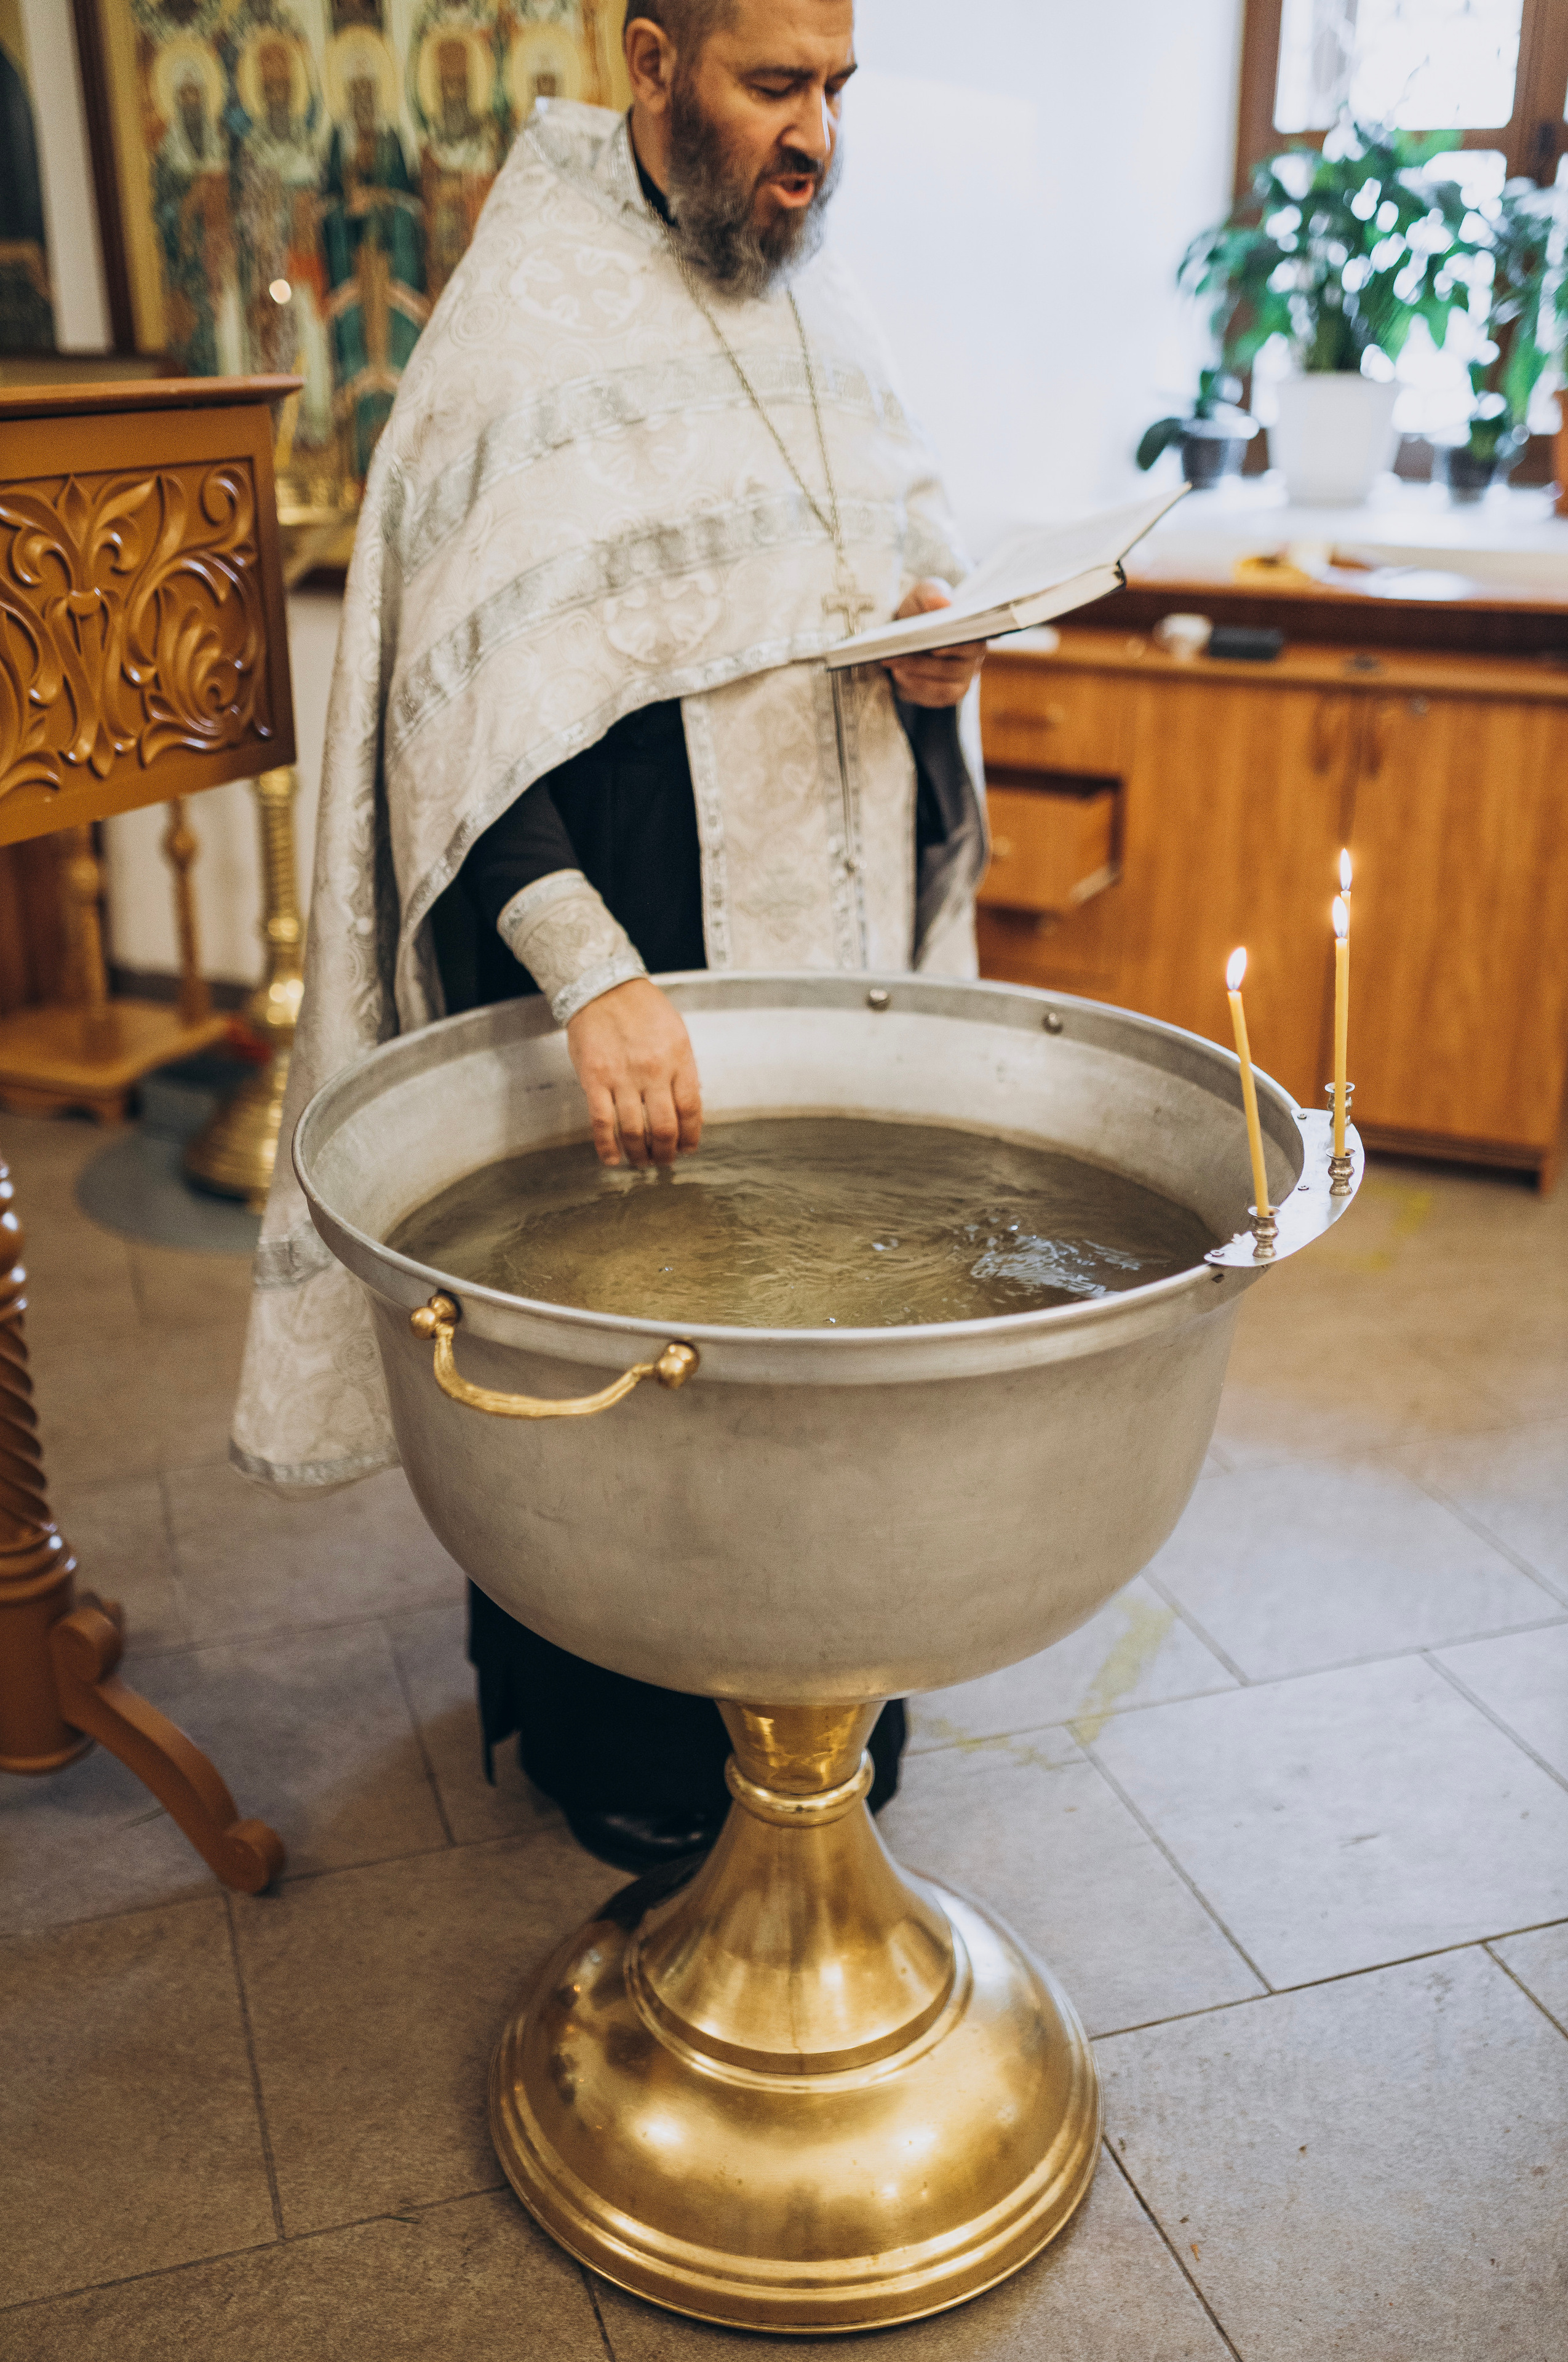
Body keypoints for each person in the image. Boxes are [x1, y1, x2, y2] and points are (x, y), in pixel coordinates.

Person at [233, 0, 989, 1873]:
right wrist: (589, 967)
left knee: (834, 1326)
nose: (820, 137)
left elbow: (898, 569)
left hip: (825, 942)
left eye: (839, 91)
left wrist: (933, 661)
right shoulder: (524, 324)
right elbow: (451, 708)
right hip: (622, 954)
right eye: (774, 87)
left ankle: (826, 1695)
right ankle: (632, 1736)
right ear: (653, 65)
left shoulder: (828, 306)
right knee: (636, 1377)